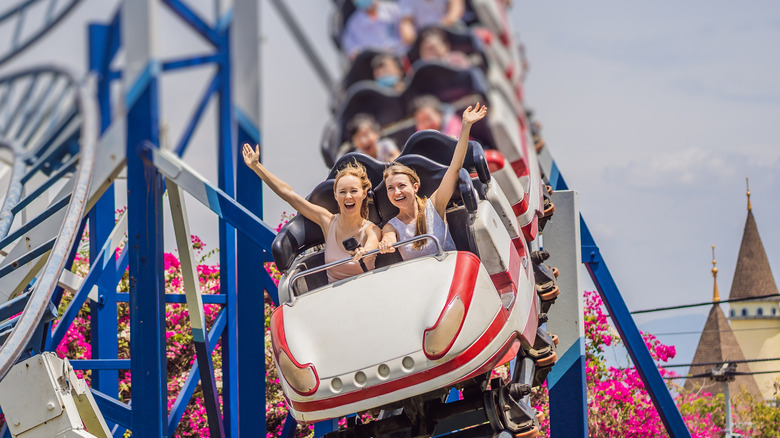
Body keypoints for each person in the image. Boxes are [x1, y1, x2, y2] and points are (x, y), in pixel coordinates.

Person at [242, 144, 380, 282]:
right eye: (342, 192)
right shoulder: (327, 221)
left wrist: (363, 252)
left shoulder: (371, 229)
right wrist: (256, 166)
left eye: (354, 191)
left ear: (363, 194)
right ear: (336, 196)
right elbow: (289, 194)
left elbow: (370, 248)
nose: (348, 196)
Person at [378, 103, 487, 260]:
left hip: (452, 271)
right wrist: (385, 243)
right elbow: (388, 238)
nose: (397, 192)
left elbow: (455, 168)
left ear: (415, 187)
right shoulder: (391, 226)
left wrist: (466, 126)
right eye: (390, 188)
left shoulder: (434, 205)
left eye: (401, 186)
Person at [398, 0, 465, 45]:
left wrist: (439, 29)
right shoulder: (406, 1)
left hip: (450, 33)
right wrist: (419, 41)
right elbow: (406, 25)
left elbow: (455, 11)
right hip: (423, 40)